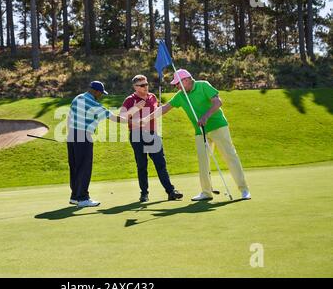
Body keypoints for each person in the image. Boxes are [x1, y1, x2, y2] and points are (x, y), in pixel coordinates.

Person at [139, 69, 251, 201]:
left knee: (230, 156)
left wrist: (206, 116)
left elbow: (218, 102)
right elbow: (165, 108)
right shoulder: (181, 95)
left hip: (218, 126)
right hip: (200, 131)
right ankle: (206, 192)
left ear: (186, 80)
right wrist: (146, 119)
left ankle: (244, 190)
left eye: (178, 84)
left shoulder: (203, 85)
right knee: (203, 162)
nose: (177, 87)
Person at [67, 81, 145, 208]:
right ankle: (82, 198)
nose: (101, 96)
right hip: (83, 136)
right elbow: (115, 118)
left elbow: (70, 117)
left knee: (75, 167)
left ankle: (75, 196)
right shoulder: (94, 104)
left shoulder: (77, 98)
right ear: (96, 91)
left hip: (72, 136)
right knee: (84, 167)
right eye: (101, 93)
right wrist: (135, 122)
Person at [120, 74, 183, 203]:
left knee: (160, 163)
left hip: (152, 134)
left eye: (146, 84)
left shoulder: (153, 97)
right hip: (137, 135)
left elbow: (157, 111)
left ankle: (171, 191)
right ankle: (144, 193)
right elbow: (122, 117)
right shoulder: (130, 100)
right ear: (135, 87)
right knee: (142, 165)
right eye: (142, 85)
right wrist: (136, 108)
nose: (145, 87)